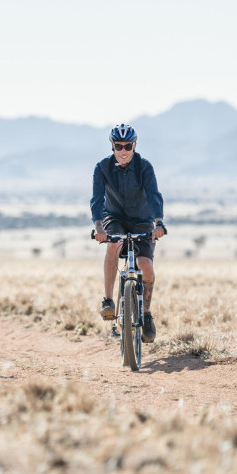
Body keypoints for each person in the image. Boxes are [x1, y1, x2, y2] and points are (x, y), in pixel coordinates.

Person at [91, 124, 167, 342]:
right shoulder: (102, 168)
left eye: (127, 146)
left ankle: (146, 314)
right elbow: (96, 199)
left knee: (147, 266)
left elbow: (154, 195)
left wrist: (159, 223)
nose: (123, 151)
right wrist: (98, 227)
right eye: (118, 146)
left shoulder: (144, 167)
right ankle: (108, 300)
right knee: (113, 245)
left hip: (142, 221)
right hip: (114, 218)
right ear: (112, 146)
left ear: (135, 145)